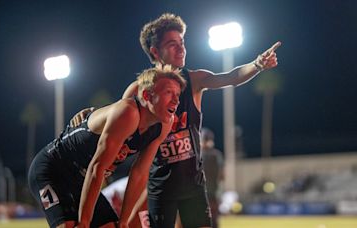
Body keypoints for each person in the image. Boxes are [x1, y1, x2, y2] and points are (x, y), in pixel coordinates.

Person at [71, 13, 280, 228]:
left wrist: (257, 64)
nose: (181, 49)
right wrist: (92, 115)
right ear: (155, 52)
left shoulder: (195, 80)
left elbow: (231, 77)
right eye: (172, 44)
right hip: (159, 186)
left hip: (193, 185)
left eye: (182, 42)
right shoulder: (138, 89)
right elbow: (118, 117)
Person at [28, 64, 186, 228]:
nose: (176, 100)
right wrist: (84, 222)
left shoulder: (165, 123)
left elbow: (139, 173)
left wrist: (124, 220)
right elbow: (98, 168)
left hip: (83, 177)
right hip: (53, 169)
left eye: (177, 94)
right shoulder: (128, 113)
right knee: (68, 226)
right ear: (147, 95)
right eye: (168, 92)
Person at [200, 128, 224, 228]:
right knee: (213, 218)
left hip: (199, 193)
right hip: (213, 192)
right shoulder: (216, 155)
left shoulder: (197, 155)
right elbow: (222, 176)